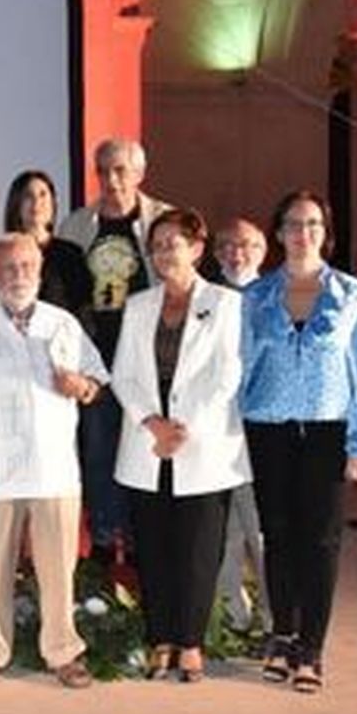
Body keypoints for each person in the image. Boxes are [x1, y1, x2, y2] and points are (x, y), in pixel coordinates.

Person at [0, 233, 108, 690]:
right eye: (7, 268)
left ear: (40, 271)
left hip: (54, 471)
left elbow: (96, 382)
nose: (18, 275)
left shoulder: (64, 324)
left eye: (27, 266)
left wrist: (82, 388)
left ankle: (63, 652)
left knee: (59, 571)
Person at [241, 190, 357, 695]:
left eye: (314, 224)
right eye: (294, 224)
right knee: (278, 535)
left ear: (326, 232)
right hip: (268, 428)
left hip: (328, 430)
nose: (304, 233)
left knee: (321, 540)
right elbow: (239, 366)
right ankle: (282, 635)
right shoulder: (255, 297)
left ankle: (311, 648)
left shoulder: (351, 295)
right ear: (278, 233)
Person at [111, 209, 251, 683]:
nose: (165, 252)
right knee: (154, 548)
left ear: (196, 248)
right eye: (157, 245)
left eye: (174, 243)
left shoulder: (225, 303)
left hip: (201, 441)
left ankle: (190, 643)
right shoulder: (138, 305)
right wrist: (153, 423)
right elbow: (123, 375)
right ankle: (161, 639)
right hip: (147, 441)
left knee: (199, 548)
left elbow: (227, 375)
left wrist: (182, 427)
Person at [57, 140, 176, 561]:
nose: (112, 179)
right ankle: (106, 542)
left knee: (146, 444)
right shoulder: (75, 225)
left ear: (140, 173)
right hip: (96, 358)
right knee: (99, 447)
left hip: (150, 357)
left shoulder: (164, 219)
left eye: (121, 170)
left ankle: (146, 540)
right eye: (104, 170)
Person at [212, 217, 271, 634]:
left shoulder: (276, 297)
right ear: (216, 253)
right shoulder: (204, 298)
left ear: (263, 252)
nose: (238, 253)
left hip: (260, 427)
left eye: (248, 245)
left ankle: (275, 619)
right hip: (214, 428)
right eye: (229, 246)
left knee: (261, 528)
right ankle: (231, 616)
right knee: (224, 530)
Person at [0, 169, 92, 320]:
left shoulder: (71, 255)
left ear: (53, 203)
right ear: (16, 204)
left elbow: (84, 312)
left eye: (43, 194)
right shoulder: (0, 256)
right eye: (28, 196)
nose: (36, 202)